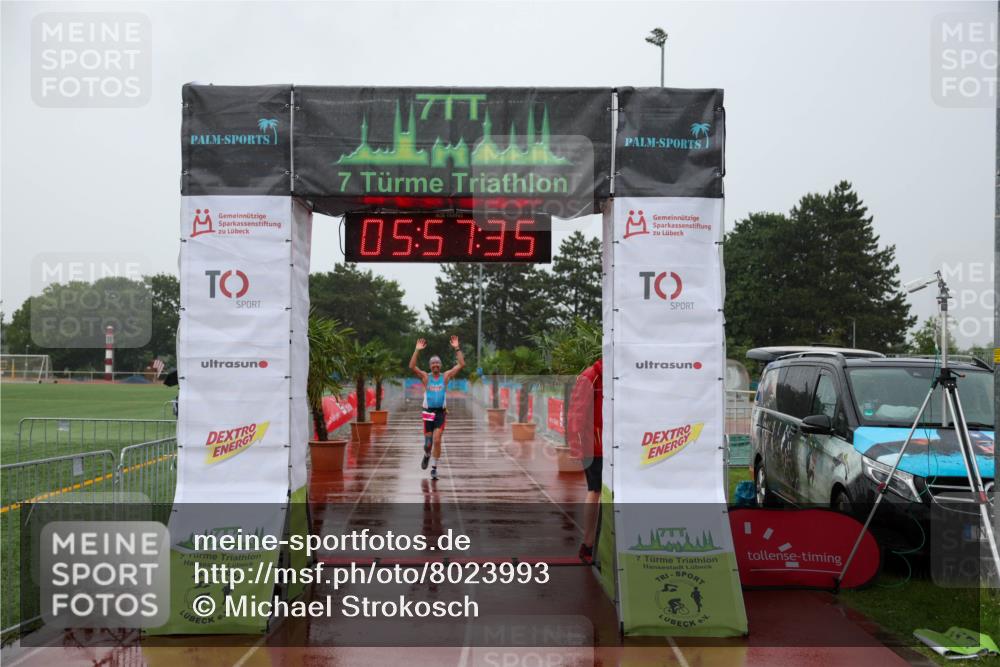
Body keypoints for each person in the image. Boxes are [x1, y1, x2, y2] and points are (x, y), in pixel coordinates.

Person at [409, 336, 464, 481]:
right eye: (433, 363)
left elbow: (461, 364)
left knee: (437, 440)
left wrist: (456, 348)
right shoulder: (425, 377)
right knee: (428, 445)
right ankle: (427, 455)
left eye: (437, 363)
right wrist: (417, 350)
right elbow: (412, 367)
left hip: (440, 413)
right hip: (428, 413)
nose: (435, 365)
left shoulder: (445, 377)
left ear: (440, 365)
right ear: (430, 366)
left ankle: (434, 468)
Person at [566, 358, 603, 564]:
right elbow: (576, 414)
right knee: (595, 490)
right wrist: (576, 445)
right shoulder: (590, 376)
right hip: (595, 446)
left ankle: (602, 540)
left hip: (620, 445)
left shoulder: (626, 373)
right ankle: (588, 542)